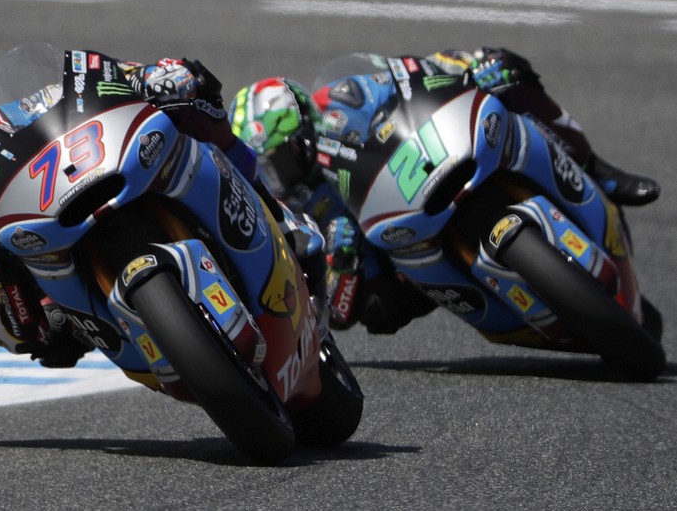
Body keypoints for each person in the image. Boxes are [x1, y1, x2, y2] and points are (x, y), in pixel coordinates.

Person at [0, 48, 317, 367]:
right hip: (51, 304)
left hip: (69, 198)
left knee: (187, 101)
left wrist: (142, 77)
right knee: (50, 337)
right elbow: (10, 333)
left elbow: (71, 87)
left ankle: (275, 210)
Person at [229, 47, 661, 335]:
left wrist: (469, 66)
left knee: (506, 68)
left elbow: (410, 73)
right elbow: (336, 315)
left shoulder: (342, 98)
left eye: (279, 161)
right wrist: (340, 263)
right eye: (266, 170)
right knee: (378, 309)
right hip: (402, 249)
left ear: (304, 126)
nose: (277, 179)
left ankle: (595, 169)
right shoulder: (301, 207)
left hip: (429, 164)